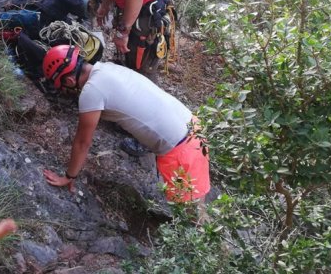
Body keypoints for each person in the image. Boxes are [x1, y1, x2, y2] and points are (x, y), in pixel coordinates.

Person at [41, 45, 211, 203]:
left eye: (62, 86)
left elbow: (82, 142)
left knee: (190, 216)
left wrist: (69, 176)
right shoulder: (105, 68)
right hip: (191, 124)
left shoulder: (92, 91)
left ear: (69, 81)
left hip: (181, 150)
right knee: (196, 206)